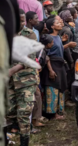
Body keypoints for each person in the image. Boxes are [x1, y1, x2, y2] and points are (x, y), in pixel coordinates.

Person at [6, 9, 39, 145]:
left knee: (23, 114)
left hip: (26, 81)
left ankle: (24, 142)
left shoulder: (29, 35)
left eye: (23, 20)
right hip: (9, 83)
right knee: (8, 113)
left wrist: (11, 71)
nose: (22, 23)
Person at [42, 16, 68, 120]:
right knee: (53, 88)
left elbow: (58, 49)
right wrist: (50, 70)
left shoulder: (57, 37)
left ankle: (59, 110)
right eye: (57, 22)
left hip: (59, 65)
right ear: (52, 26)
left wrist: (64, 42)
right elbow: (46, 55)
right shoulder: (49, 38)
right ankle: (51, 113)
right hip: (53, 65)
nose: (60, 23)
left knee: (60, 87)